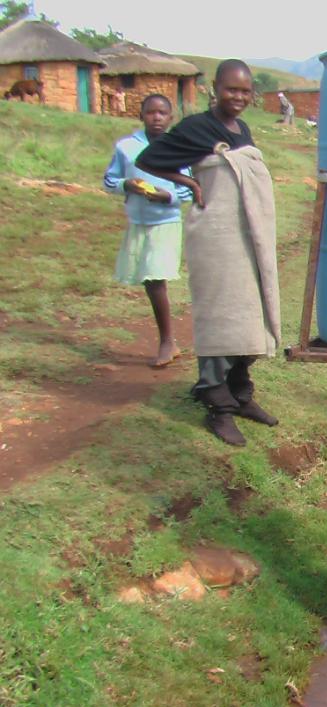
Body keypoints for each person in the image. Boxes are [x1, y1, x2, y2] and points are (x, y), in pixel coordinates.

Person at [136, 59, 281, 447]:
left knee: (248, 313)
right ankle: (219, 407)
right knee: (221, 316)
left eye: (245, 90)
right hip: (217, 237)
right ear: (214, 89)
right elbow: (147, 160)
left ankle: (241, 393)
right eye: (231, 89)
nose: (238, 97)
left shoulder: (242, 128)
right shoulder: (196, 127)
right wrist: (187, 180)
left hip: (245, 235)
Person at [103, 93, 192, 367]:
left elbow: (188, 187)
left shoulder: (178, 148)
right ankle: (168, 340)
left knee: (155, 279)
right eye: (151, 112)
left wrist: (168, 197)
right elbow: (109, 180)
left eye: (162, 113)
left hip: (166, 221)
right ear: (141, 115)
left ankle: (168, 341)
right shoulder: (127, 147)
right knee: (149, 281)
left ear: (170, 118)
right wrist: (126, 185)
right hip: (138, 221)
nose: (156, 117)